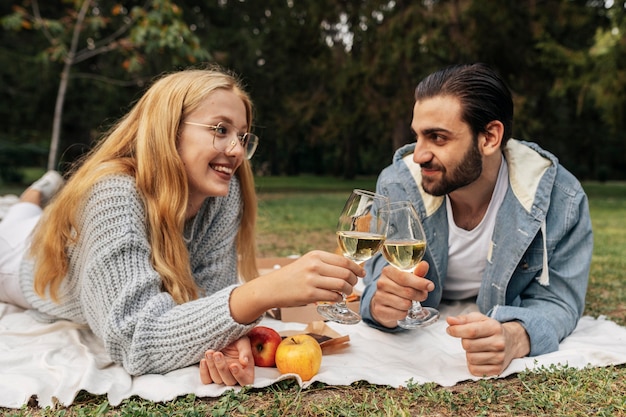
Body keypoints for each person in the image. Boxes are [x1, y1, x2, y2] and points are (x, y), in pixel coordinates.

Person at [0, 66, 364, 387]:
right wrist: (262, 292)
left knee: (27, 214)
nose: (236, 149)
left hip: (49, 235)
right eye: (220, 129)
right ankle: (37, 191)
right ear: (168, 130)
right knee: (17, 218)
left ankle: (35, 196)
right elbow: (134, 340)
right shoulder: (112, 194)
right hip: (16, 259)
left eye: (241, 136)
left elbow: (207, 297)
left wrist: (228, 336)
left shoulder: (222, 193)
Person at [360, 63, 593, 377]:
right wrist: (380, 305)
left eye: (437, 138)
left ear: (490, 137)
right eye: (418, 136)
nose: (418, 155)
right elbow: (376, 281)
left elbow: (561, 300)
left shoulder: (561, 199)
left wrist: (516, 337)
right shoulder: (397, 186)